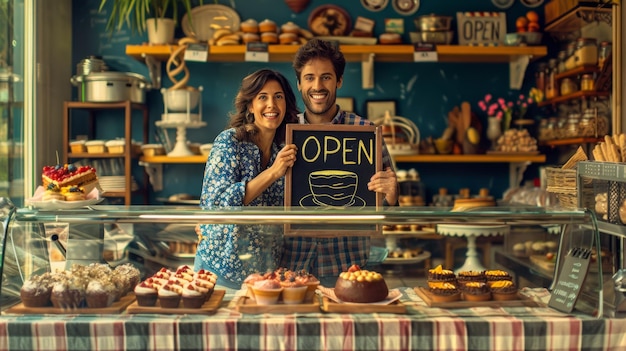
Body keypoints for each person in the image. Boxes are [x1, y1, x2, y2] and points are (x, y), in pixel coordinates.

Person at [280, 38, 399, 286]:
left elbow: (387, 212)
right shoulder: (282, 133)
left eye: (326, 77)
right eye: (310, 78)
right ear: (299, 83)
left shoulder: (366, 132)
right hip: (290, 265)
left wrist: (391, 196)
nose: (317, 86)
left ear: (339, 81)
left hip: (347, 267)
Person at [195, 69, 299, 289]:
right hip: (218, 270)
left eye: (278, 97)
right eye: (263, 97)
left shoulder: (286, 150)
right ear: (250, 105)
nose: (272, 104)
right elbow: (218, 205)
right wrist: (272, 173)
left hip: (265, 275)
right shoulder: (229, 142)